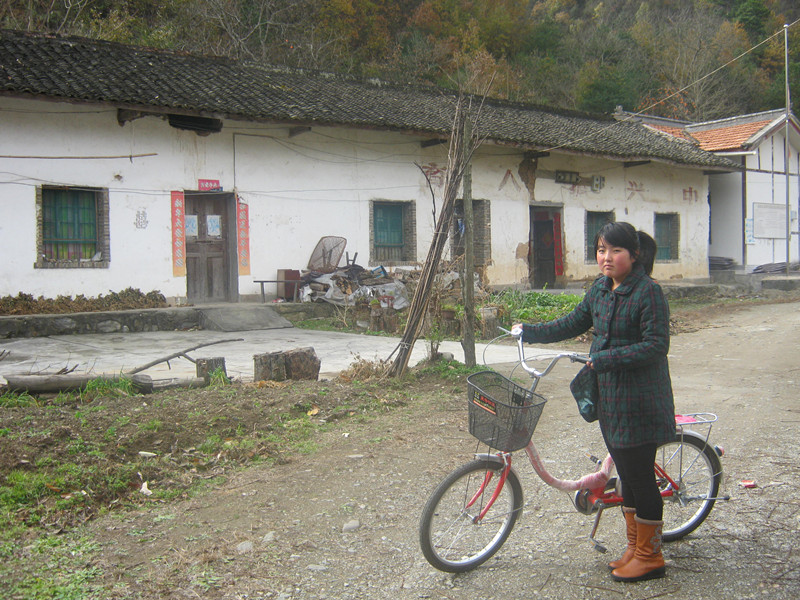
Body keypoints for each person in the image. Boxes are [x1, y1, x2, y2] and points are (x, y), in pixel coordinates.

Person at [516, 221, 675, 582]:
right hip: (611, 399)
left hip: (641, 400)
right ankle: (635, 548)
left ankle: (650, 556)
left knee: (640, 477)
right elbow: (573, 322)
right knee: (627, 476)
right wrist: (529, 331)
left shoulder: (648, 292)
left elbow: (656, 345)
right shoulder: (601, 289)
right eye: (602, 250)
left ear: (634, 255)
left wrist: (606, 358)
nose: (607, 257)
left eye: (616, 250)